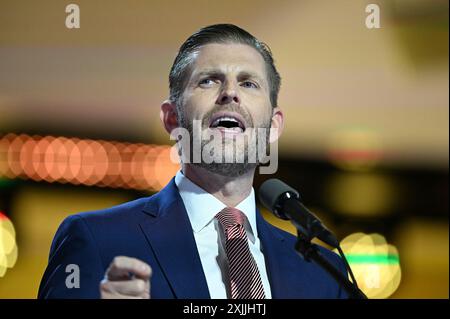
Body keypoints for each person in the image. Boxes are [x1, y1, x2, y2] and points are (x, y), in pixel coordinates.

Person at [38, 24, 348, 299]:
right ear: (172, 118)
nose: (230, 93)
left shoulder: (324, 273)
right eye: (209, 81)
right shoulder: (98, 240)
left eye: (249, 83)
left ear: (274, 126)